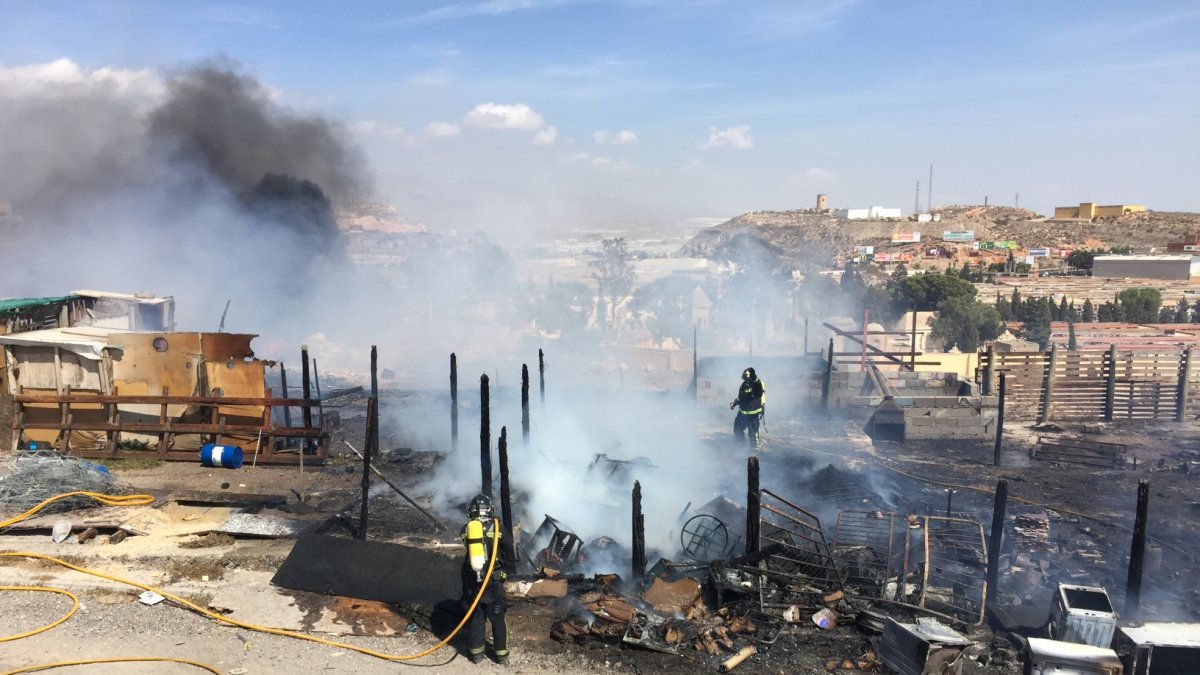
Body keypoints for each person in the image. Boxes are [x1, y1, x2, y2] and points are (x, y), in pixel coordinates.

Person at [460, 493, 508, 664]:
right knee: (498, 618)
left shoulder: (466, 529)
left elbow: (469, 547)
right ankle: (501, 656)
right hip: (493, 582)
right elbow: (509, 550)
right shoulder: (498, 528)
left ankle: (476, 654)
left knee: (476, 617)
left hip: (473, 582)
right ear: (490, 510)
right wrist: (505, 573)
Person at [729, 367, 765, 448]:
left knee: (752, 433)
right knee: (737, 429)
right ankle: (740, 447)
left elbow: (758, 385)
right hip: (742, 414)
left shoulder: (756, 385)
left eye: (747, 376)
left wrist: (753, 374)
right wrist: (735, 403)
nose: (746, 378)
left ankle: (754, 450)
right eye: (745, 376)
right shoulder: (744, 384)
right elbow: (742, 398)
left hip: (753, 415)